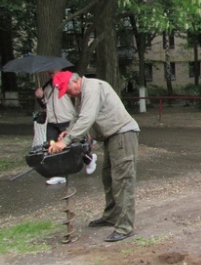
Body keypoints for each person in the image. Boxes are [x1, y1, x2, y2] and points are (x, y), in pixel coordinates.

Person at [48, 71, 139, 243]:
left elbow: (87, 118)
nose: (67, 94)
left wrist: (65, 142)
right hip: (111, 136)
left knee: (123, 180)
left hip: (122, 134)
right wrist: (69, 130)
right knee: (108, 178)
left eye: (67, 90)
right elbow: (77, 116)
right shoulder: (82, 95)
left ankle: (125, 227)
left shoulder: (92, 88)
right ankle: (111, 216)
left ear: (74, 80)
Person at [35, 68, 97, 185]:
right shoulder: (46, 87)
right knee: (52, 147)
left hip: (67, 119)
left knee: (75, 147)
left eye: (52, 71)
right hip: (52, 121)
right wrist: (40, 97)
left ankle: (90, 159)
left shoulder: (68, 84)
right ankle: (59, 174)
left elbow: (77, 100)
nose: (49, 73)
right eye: (48, 72)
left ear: (59, 70)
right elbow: (44, 105)